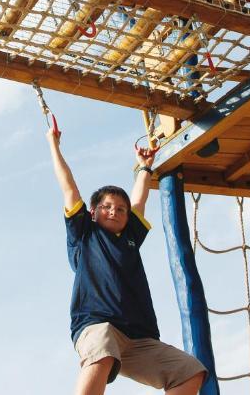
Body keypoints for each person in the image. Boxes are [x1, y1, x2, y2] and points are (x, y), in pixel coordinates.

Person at [47, 125, 207, 395]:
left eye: (120, 209)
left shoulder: (130, 237)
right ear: (93, 212)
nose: (114, 211)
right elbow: (69, 187)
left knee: (191, 371)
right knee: (104, 349)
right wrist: (54, 144)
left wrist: (145, 167)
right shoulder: (85, 232)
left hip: (139, 337)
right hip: (96, 325)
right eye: (107, 207)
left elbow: (139, 201)